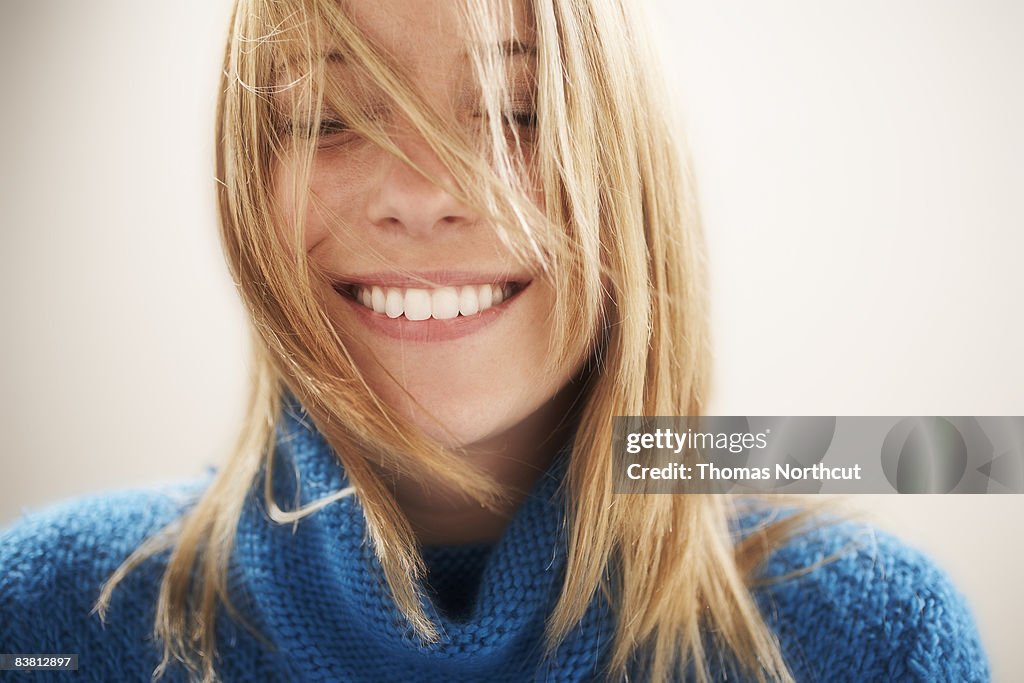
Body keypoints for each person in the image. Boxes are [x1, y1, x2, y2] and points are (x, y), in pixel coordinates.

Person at [0, 0, 990, 681]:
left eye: (517, 113)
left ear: (630, 173)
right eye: (331, 116)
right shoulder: (44, 611)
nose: (422, 190)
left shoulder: (869, 633)